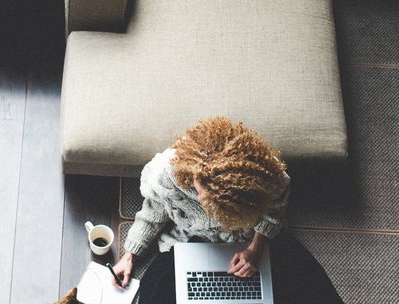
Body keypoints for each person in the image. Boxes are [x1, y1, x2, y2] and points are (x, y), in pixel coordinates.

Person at [111, 117, 343, 303]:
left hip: (248, 241)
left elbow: (274, 211)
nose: (205, 203)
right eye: (202, 193)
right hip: (190, 243)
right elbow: (154, 210)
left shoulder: (265, 176)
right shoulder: (167, 173)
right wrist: (130, 254)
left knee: (309, 287)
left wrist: (255, 249)